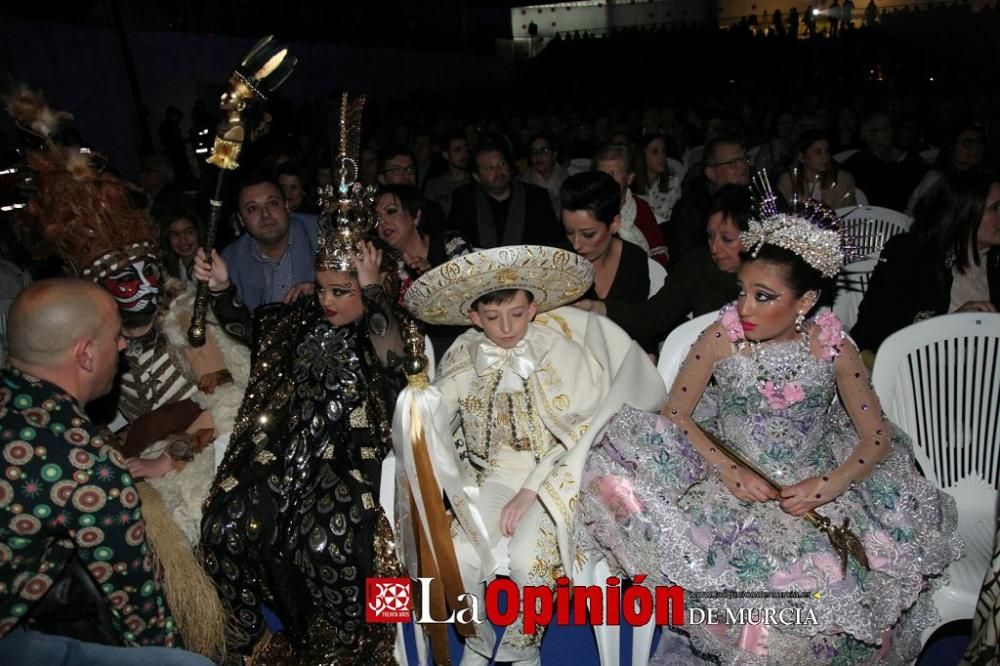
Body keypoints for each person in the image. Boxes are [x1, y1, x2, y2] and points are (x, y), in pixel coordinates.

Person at [577, 192, 962, 664]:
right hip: (731, 477)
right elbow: (675, 413)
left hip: (814, 482)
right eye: (741, 291)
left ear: (806, 301)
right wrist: (727, 472)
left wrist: (828, 484)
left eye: (764, 297)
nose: (745, 308)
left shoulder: (834, 346)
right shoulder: (720, 337)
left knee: (832, 585)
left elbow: (876, 435)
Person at [196, 100, 409, 664]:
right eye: (322, 288)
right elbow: (252, 330)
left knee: (328, 540)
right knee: (226, 522)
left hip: (355, 451)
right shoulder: (301, 313)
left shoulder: (386, 321)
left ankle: (357, 645)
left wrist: (374, 296)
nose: (329, 301)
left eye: (343, 291)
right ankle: (254, 641)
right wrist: (220, 290)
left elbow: (396, 367)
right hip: (289, 445)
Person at [402, 244, 663, 666]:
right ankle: (478, 638)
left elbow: (583, 431)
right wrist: (418, 401)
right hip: (492, 475)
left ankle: (524, 647)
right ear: (473, 317)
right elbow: (437, 411)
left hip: (554, 474)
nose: (505, 328)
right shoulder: (467, 354)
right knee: (462, 552)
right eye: (491, 318)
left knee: (526, 558)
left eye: (517, 314)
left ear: (534, 306)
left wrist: (530, 490)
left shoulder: (559, 349)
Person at [0, 279, 212, 666]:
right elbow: (142, 616)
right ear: (85, 354)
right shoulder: (86, 467)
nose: (121, 346)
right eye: (115, 336)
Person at [574, 185, 748, 350]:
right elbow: (655, 315)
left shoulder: (770, 276)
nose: (715, 247)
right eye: (710, 236)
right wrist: (599, 309)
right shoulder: (697, 265)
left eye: (727, 239)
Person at [852, 171, 1000, 362]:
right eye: (995, 208)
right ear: (964, 211)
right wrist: (951, 325)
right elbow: (874, 333)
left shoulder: (995, 260)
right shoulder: (911, 254)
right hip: (924, 376)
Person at [222, 175, 319, 312]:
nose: (265, 214)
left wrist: (321, 292)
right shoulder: (230, 260)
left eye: (272, 203)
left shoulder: (322, 233)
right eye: (252, 208)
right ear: (241, 219)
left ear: (286, 206)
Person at [448, 140, 563, 248]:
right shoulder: (464, 200)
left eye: (502, 164)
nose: (499, 171)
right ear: (477, 177)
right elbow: (453, 242)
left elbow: (553, 242)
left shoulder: (536, 197)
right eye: (490, 168)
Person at [561, 171, 649, 306]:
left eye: (588, 234)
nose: (576, 245)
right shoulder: (557, 261)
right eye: (569, 232)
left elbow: (639, 320)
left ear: (614, 224)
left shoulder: (634, 261)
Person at [374, 183, 473, 301]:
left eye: (391, 211)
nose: (382, 221)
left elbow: (470, 294)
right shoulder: (384, 265)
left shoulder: (451, 244)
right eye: (377, 217)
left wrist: (433, 279)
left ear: (416, 216)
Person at [593, 142, 668, 265]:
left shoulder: (640, 208)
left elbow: (658, 251)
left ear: (629, 178)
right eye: (601, 174)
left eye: (613, 174)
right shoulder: (589, 209)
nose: (606, 180)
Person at [905, 123, 986, 215]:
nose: (976, 148)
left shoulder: (982, 181)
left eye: (979, 142)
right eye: (968, 142)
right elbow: (921, 216)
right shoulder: (935, 179)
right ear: (951, 146)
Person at [776, 129, 858, 209]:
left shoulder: (843, 181)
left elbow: (849, 215)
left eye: (827, 151)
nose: (825, 157)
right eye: (818, 152)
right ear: (801, 157)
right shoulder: (788, 181)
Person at [160, 207, 204, 283]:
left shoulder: (207, 268)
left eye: (189, 232)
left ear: (199, 232)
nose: (183, 240)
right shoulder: (170, 268)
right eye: (175, 234)